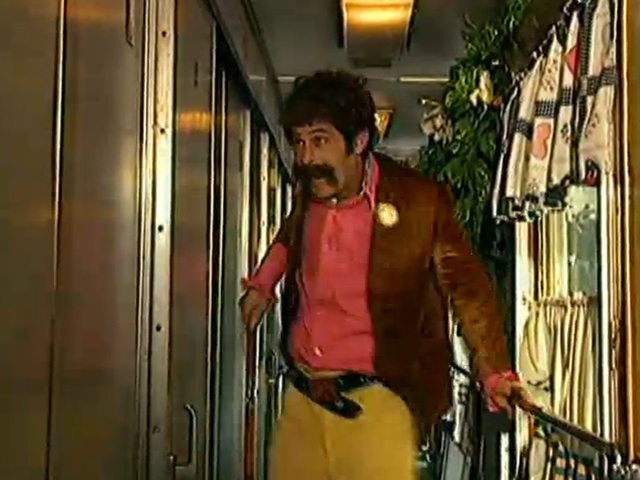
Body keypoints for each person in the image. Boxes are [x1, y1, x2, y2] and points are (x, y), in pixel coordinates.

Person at [240, 69, 523, 480]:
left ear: (358, 142)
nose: (305, 158)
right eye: (299, 142)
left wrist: (493, 370)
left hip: (377, 403)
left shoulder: (420, 201)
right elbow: (291, 233)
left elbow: (466, 285)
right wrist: (264, 282)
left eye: (319, 141)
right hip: (302, 399)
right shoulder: (310, 190)